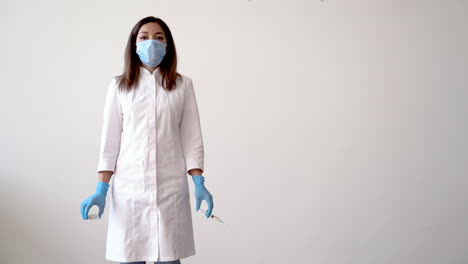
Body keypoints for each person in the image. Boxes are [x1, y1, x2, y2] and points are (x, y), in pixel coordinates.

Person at [80, 16, 214, 264]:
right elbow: (109, 142)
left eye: (159, 37)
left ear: (168, 45)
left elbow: (192, 138)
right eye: (144, 37)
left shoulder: (182, 85)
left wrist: (199, 182)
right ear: (134, 45)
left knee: (169, 258)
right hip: (130, 188)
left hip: (170, 187)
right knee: (130, 257)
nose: (151, 42)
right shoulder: (120, 86)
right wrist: (101, 189)